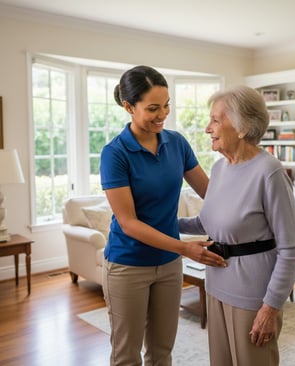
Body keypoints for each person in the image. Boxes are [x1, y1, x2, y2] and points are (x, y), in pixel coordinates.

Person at [100, 65, 226, 366]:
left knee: (162, 352)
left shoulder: (177, 143)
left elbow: (211, 192)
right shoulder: (114, 154)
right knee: (126, 355)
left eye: (166, 105)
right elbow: (129, 223)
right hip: (128, 265)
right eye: (153, 108)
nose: (163, 114)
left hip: (168, 267)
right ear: (128, 106)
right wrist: (185, 247)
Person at [179, 85, 295, 366]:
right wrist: (162, 224)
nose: (207, 128)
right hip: (215, 285)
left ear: (242, 127)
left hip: (253, 295)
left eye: (215, 120)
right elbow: (209, 222)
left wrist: (270, 308)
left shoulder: (269, 172)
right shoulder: (220, 168)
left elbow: (292, 248)